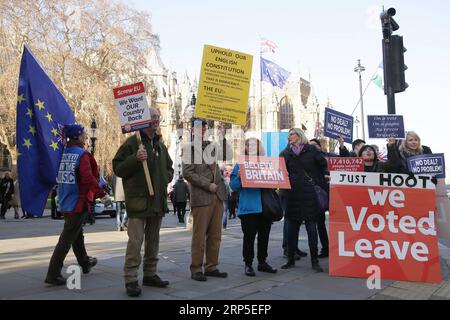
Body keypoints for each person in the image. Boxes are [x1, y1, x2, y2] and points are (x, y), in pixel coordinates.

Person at [113, 107, 174, 297]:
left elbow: (169, 168)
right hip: (139, 202)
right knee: (136, 241)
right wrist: (135, 159)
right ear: (143, 120)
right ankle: (131, 279)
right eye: (152, 117)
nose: (156, 120)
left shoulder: (160, 145)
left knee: (153, 241)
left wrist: (164, 179)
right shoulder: (133, 143)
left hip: (157, 201)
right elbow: (118, 168)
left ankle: (150, 273)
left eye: (158, 117)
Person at [45, 124, 111, 286]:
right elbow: (89, 179)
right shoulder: (82, 155)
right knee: (67, 238)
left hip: (66, 201)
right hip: (78, 202)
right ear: (76, 137)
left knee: (76, 234)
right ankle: (53, 273)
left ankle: (85, 262)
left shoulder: (64, 153)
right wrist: (102, 195)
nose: (86, 136)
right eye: (83, 134)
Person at [182, 118, 229, 282]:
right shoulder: (189, 148)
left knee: (216, 235)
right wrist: (207, 185)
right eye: (198, 128)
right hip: (202, 195)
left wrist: (222, 134)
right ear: (192, 130)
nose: (202, 130)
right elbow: (187, 173)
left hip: (218, 195)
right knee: (199, 235)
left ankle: (211, 266)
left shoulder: (211, 145)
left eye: (204, 127)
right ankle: (196, 268)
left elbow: (226, 153)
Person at [280, 128, 328, 272]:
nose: (290, 137)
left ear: (300, 136)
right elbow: (280, 170)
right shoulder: (285, 153)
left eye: (292, 134)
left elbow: (323, 166)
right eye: (289, 135)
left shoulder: (311, 150)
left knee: (311, 228)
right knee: (291, 230)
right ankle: (290, 258)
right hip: (292, 194)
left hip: (309, 194)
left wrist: (320, 180)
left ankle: (314, 260)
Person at [230, 138, 278, 277]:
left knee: (264, 236)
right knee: (249, 237)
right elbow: (233, 186)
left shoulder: (266, 163)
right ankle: (248, 264)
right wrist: (239, 178)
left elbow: (274, 184)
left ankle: (262, 262)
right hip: (249, 207)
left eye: (254, 146)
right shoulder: (240, 164)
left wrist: (279, 177)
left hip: (265, 206)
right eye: (248, 146)